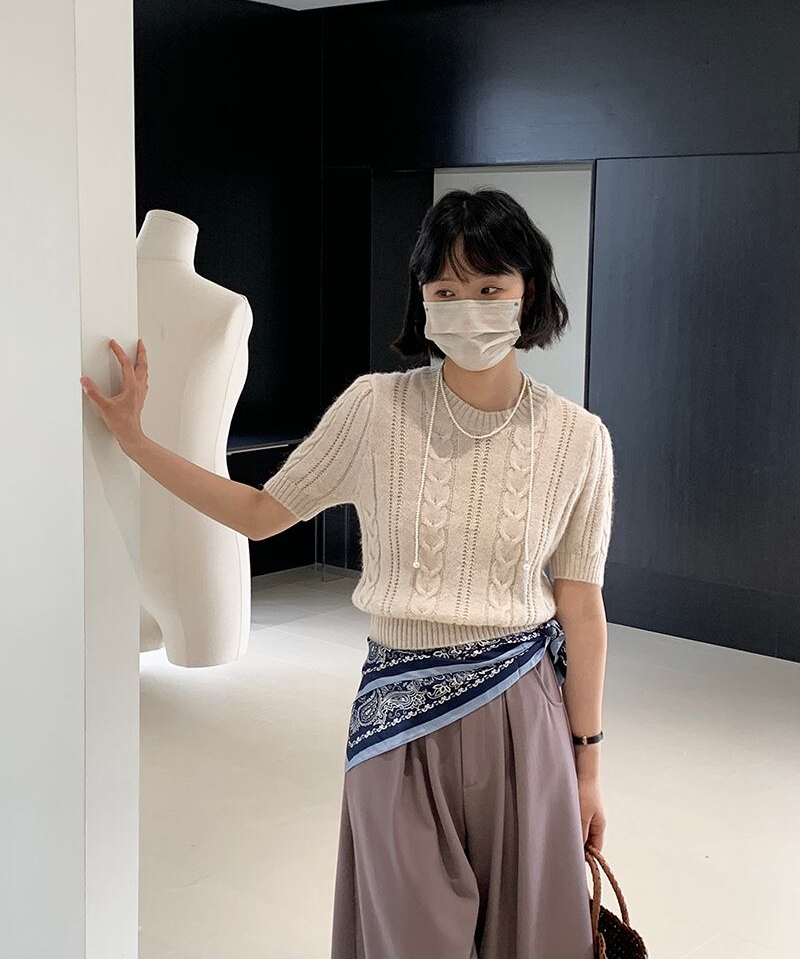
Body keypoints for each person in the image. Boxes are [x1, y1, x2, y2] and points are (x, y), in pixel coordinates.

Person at [80, 186, 614, 959]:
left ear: (528, 293)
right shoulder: (375, 408)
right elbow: (262, 512)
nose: (467, 308)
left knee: (529, 937)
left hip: (522, 718)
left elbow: (581, 607)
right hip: (396, 720)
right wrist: (138, 445)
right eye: (445, 290)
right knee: (409, 937)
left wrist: (587, 765)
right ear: (422, 300)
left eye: (489, 287)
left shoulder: (579, 439)